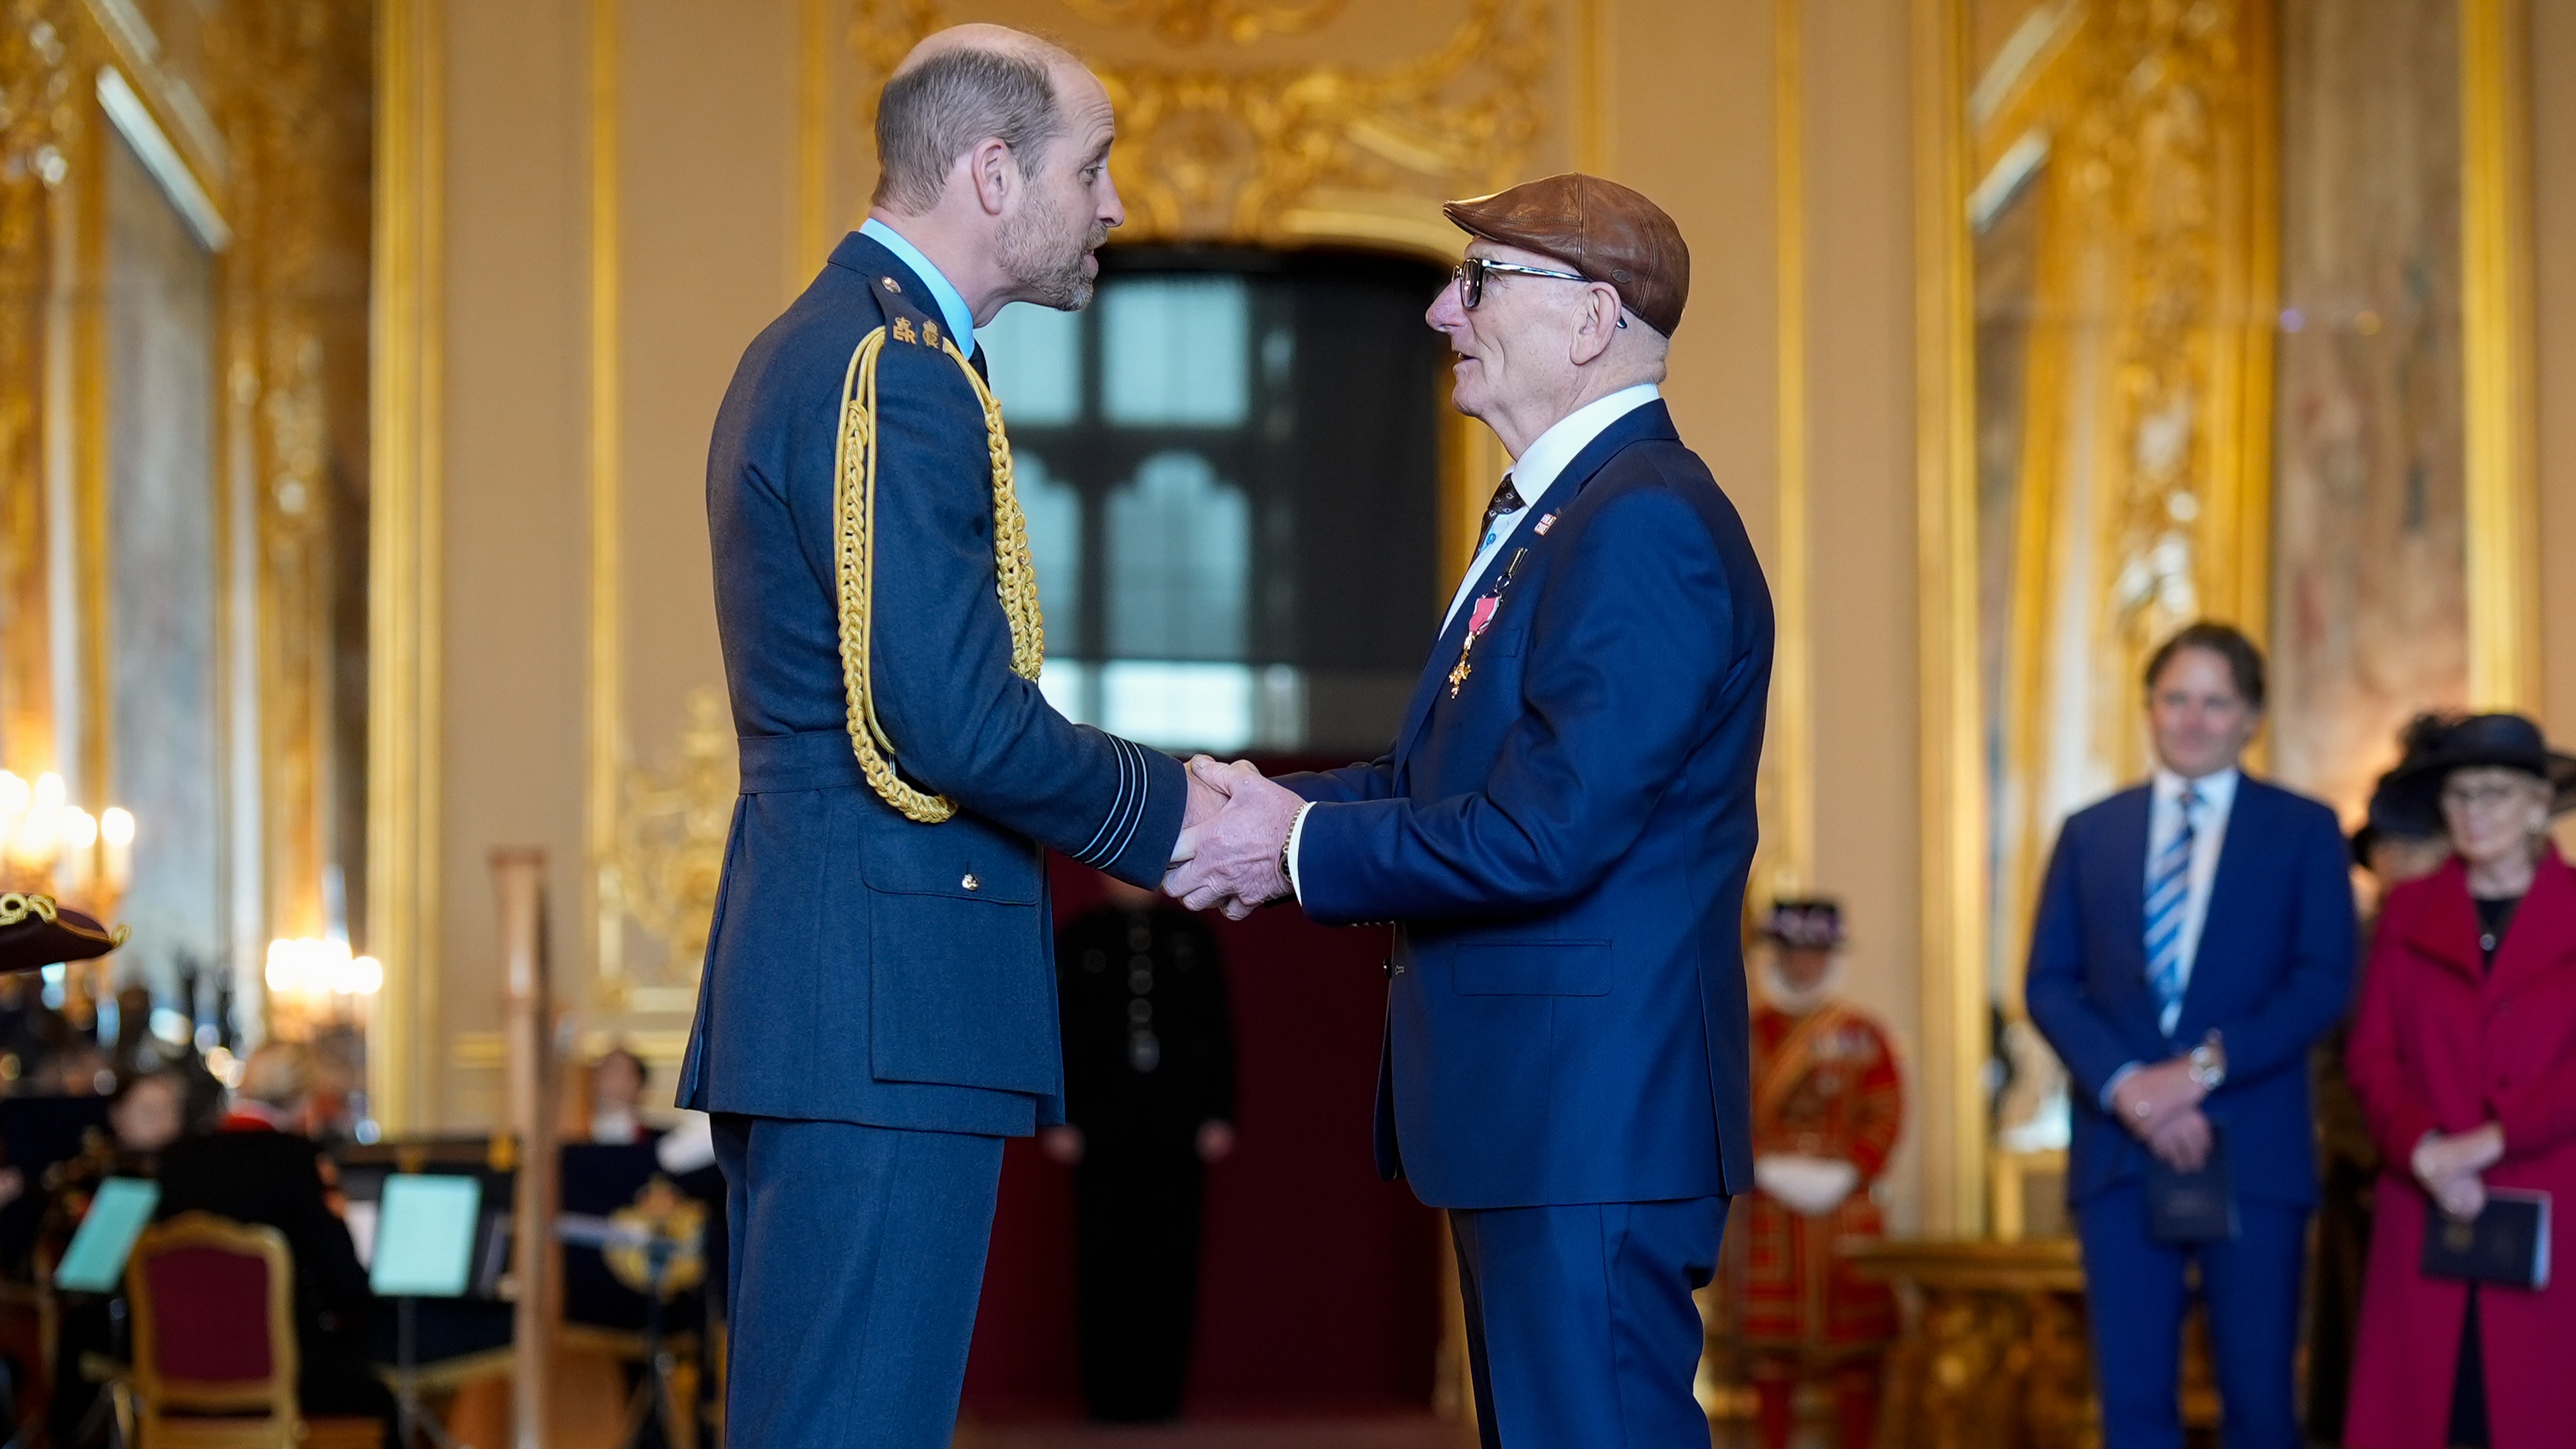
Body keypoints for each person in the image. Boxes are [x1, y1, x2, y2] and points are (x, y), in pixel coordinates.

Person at [1167, 172, 1773, 1447]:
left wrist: (1289, 843)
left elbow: (1546, 831)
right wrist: (1261, 808)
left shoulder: (1641, 522)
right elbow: (1443, 782)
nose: (1445, 312)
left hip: (1589, 1123)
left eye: (1480, 281)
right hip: (1545, 1119)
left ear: (1591, 318)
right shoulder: (1569, 513)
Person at [675, 25, 1218, 1448]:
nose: (1112, 203)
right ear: (990, 172)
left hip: (844, 996)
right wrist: (1180, 819)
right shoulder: (892, 366)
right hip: (882, 1005)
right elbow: (955, 722)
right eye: (1090, 168)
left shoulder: (840, 343)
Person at [2021, 622, 2353, 1449]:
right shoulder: (2089, 831)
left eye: (2215, 701)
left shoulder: (2304, 828)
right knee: (2131, 1408)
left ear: (2251, 717)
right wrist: (2130, 1087)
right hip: (2119, 1153)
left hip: (2256, 1153)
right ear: (2148, 708)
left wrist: (2198, 1071)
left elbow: (2322, 980)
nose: (2192, 718)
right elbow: (2049, 982)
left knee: (2260, 1403)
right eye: (2175, 698)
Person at [2343, 713, 2576, 1448]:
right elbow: (2370, 1055)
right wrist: (2422, 1148)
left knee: (2537, 1410)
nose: (2474, 812)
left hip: (2552, 1199)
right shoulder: (2408, 910)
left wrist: (2492, 1139)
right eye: (2459, 794)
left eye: (2494, 792)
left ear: (2538, 804)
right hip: (2424, 1199)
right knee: (2427, 1413)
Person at [1044, 874, 1237, 1422]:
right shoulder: (1081, 935)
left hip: (1176, 1120)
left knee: (1171, 1256)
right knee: (1102, 1255)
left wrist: (1220, 1111)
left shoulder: (1191, 936)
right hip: (1100, 1120)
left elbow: (1218, 1025)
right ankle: (1106, 1394)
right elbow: (1058, 1026)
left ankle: (1161, 1393)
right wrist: (1057, 1114)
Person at [2306, 723, 2451, 1444]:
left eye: (2411, 848)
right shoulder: (2356, 945)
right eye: (2387, 851)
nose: (2395, 863)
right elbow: (2331, 1069)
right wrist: (2390, 1151)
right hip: (2371, 1193)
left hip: (2478, 1190)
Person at [1726, 899, 1901, 1449]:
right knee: (1770, 1352)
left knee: (1857, 1351)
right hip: (1769, 1207)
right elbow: (1723, 1108)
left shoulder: (1862, 1034)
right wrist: (1761, 1164)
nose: (1802, 964)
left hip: (1844, 1208)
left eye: (1814, 953)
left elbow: (1887, 1109)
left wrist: (1852, 1169)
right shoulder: (1744, 1034)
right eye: (1792, 953)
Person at [154, 1041, 394, 1432]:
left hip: (180, 1370)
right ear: (304, 1103)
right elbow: (345, 1285)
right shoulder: (296, 1160)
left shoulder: (178, 1159)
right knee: (383, 1396)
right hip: (283, 1370)